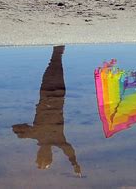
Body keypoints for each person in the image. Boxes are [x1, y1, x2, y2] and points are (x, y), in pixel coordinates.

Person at [12, 46, 81, 176]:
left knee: (56, 61)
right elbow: (69, 150)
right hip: (54, 94)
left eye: (41, 155)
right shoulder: (51, 139)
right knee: (56, 62)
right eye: (44, 155)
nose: (42, 152)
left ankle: (58, 43)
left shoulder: (42, 137)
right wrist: (74, 163)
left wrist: (22, 134)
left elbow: (15, 128)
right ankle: (59, 42)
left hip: (54, 95)